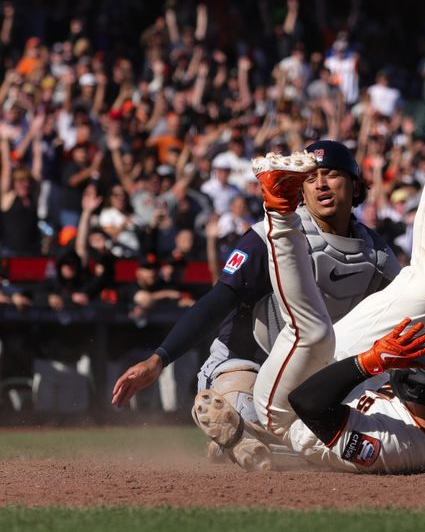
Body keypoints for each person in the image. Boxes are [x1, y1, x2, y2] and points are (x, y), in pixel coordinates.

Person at [191, 103, 425, 473]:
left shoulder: (393, 448)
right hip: (347, 382)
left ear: (413, 387)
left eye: (410, 362)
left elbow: (307, 402)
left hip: (289, 408)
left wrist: (371, 361)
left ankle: (278, 206)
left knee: (313, 333)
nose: (407, 360)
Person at [111, 140, 401, 471]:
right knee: (235, 413)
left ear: (355, 185)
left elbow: (401, 314)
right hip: (247, 362)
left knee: (368, 429)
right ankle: (245, 436)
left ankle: (247, 444)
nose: (321, 184)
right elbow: (218, 300)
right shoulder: (269, 236)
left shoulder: (376, 254)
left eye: (332, 174)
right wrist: (158, 360)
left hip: (317, 376)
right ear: (299, 190)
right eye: (310, 177)